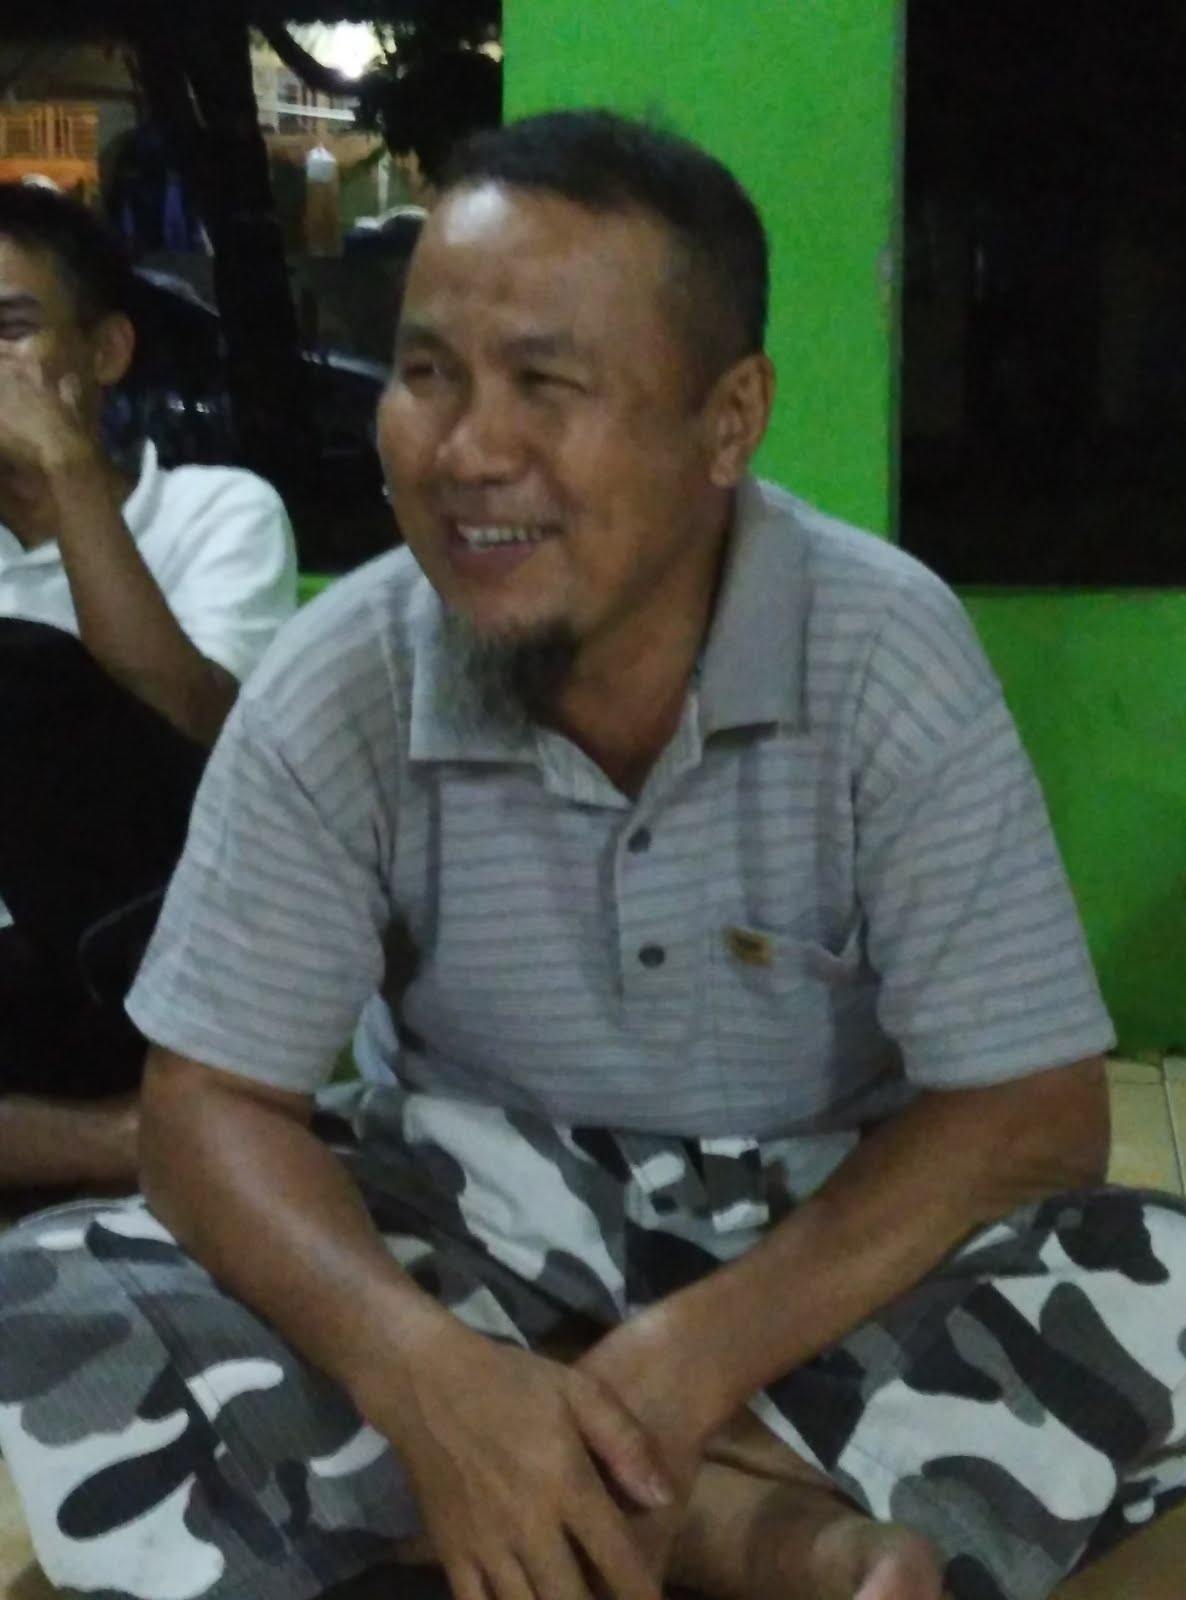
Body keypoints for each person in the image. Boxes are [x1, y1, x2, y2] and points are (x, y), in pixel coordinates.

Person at [0, 110, 1182, 1600]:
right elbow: (206, 1109)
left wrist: (684, 1358)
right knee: (63, 1290)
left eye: (545, 384)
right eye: (426, 373)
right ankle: (749, 1534)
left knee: (1159, 1289)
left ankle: (512, 1496)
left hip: (811, 1233)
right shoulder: (346, 673)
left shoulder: (881, 649)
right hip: (474, 1215)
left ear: (728, 420)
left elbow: (1028, 1113)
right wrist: (425, 1372)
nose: (466, 450)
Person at [0, 182, 296, 1191]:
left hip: (146, 954)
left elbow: (193, 721)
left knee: (22, 670)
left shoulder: (220, 512)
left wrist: (63, 462)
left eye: (10, 329)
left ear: (107, 352)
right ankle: (129, 1143)